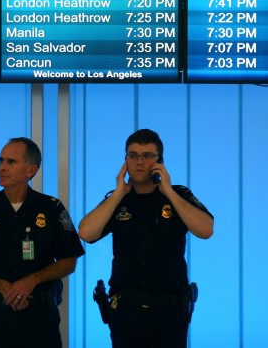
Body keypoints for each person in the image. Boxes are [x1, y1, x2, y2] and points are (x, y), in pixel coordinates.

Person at [78, 129, 214, 348]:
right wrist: (118, 193)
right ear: (125, 161)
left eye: (147, 155)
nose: (139, 162)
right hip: (126, 313)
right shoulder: (117, 200)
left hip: (170, 313)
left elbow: (206, 229)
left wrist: (168, 192)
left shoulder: (179, 195)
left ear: (159, 161)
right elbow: (86, 232)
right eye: (133, 155)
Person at [0, 137, 85, 348]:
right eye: (1, 160)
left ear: (30, 171)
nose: (2, 167)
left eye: (11, 162)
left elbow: (69, 261)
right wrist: (2, 287)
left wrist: (32, 281)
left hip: (39, 321)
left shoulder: (51, 209)